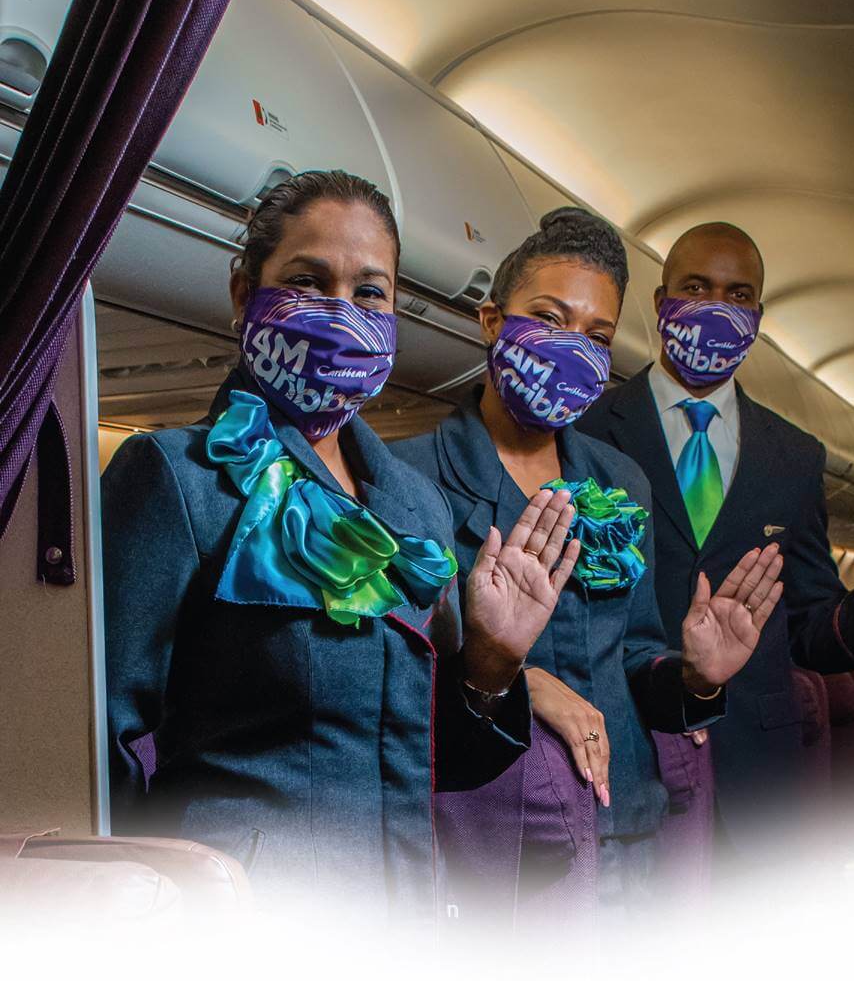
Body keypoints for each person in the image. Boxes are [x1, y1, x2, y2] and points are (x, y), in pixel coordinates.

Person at [102, 170, 583, 922]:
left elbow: (434, 760)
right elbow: (104, 743)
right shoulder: (177, 479)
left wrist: (493, 658)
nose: (340, 311)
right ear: (242, 294)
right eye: (307, 280)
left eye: (370, 291)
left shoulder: (416, 505)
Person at [393, 208, 785, 920]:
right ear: (490, 323)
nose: (571, 348)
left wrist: (695, 678)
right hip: (498, 837)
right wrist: (515, 674)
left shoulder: (619, 483)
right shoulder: (408, 481)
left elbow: (635, 652)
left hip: (626, 819)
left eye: (596, 337)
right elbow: (393, 677)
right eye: (549, 317)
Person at [578, 221, 854, 861]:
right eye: (696, 287)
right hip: (624, 750)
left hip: (755, 773)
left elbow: (807, 623)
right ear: (661, 299)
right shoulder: (588, 430)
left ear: (758, 315)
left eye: (737, 294)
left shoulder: (793, 455)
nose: (717, 307)